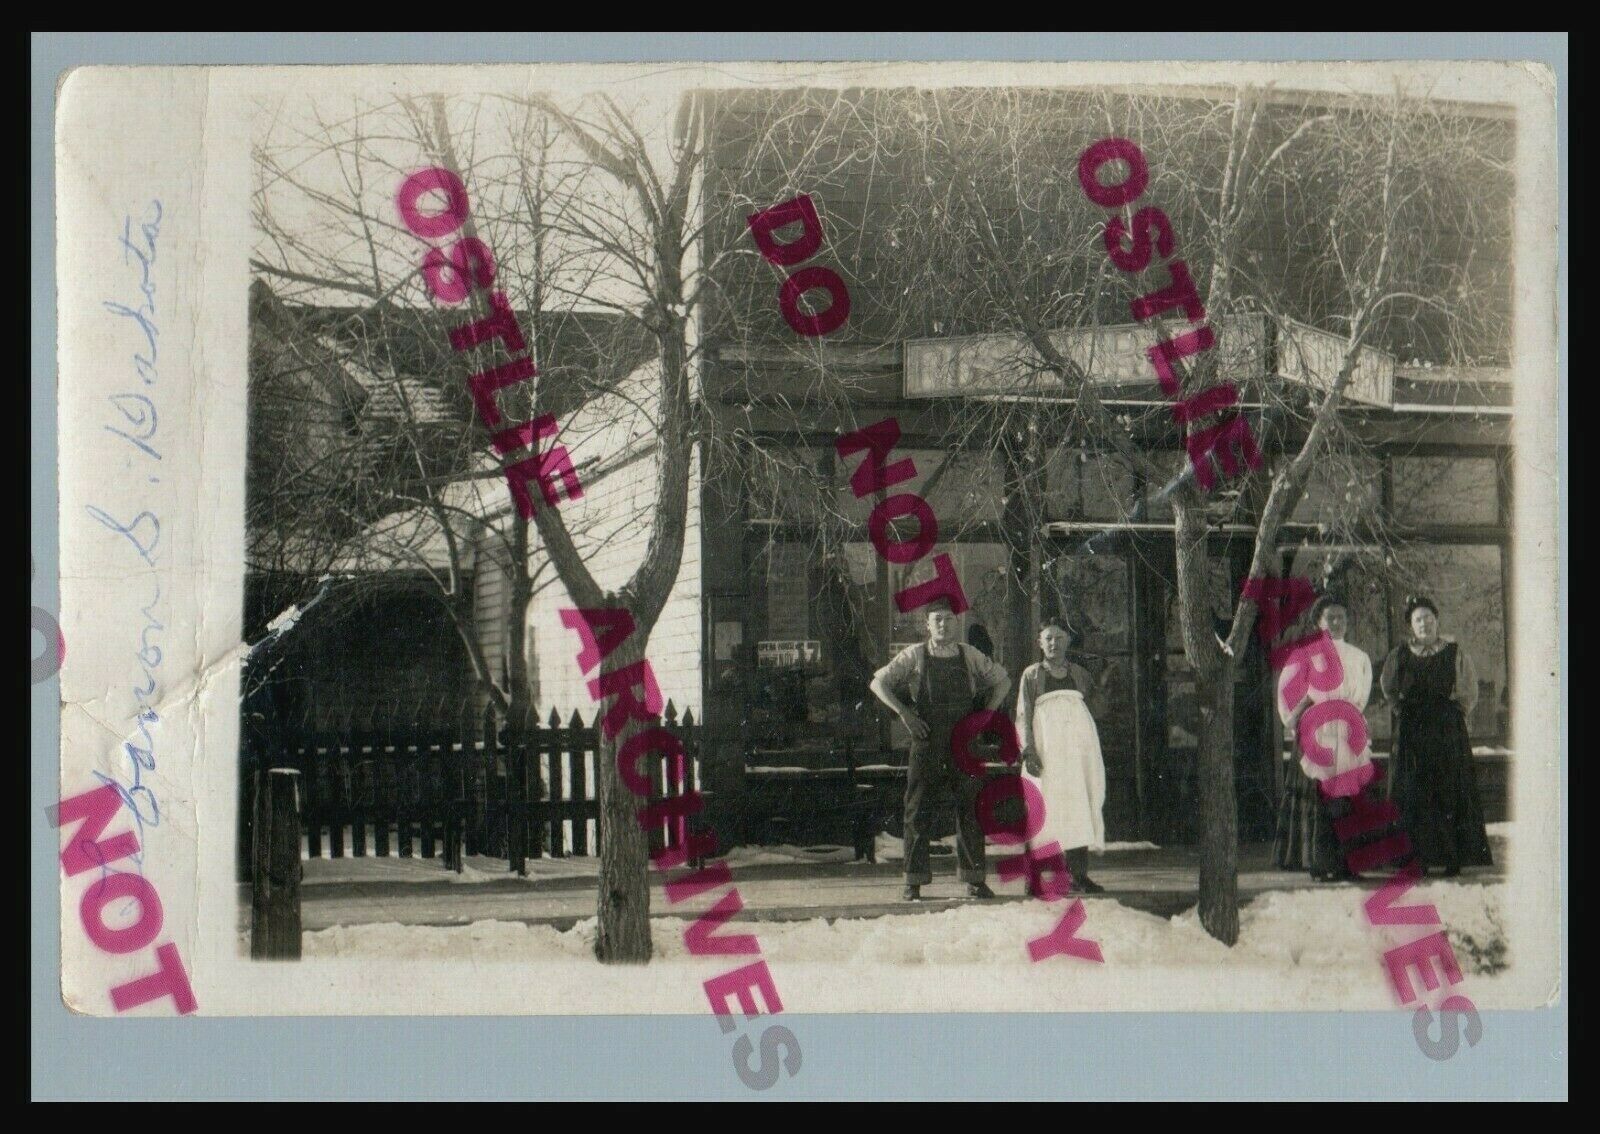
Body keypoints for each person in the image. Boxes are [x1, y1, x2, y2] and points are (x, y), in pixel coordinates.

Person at [870, 603, 1011, 901]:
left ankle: (974, 880)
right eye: (937, 620)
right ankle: (914, 880)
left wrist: (985, 716)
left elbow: (1003, 681)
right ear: (928, 625)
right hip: (927, 738)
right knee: (917, 807)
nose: (944, 625)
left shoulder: (969, 655)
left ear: (956, 623)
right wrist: (906, 715)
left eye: (949, 619)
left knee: (971, 806)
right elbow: (878, 682)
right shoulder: (914, 655)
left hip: (965, 740)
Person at [1380, 595, 1493, 876]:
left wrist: (1455, 715)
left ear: (1437, 621)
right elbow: (1388, 687)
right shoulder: (1400, 655)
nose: (1425, 624)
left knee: (1448, 790)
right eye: (1419, 620)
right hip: (1413, 732)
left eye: (1429, 619)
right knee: (1415, 791)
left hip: (1446, 730)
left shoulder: (1454, 652)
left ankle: (1452, 857)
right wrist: (1400, 710)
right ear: (1411, 626)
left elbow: (1469, 690)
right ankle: (1418, 859)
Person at [1272, 594, 1377, 881]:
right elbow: (1287, 691)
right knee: (1318, 798)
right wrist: (1298, 721)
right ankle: (1319, 863)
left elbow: (1362, 696)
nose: (1336, 622)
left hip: (1345, 730)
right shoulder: (1305, 654)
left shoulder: (1359, 657)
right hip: (1314, 731)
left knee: (1347, 798)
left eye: (1341, 617)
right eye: (1329, 617)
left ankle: (1348, 864)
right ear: (1319, 621)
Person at [1016, 620, 1107, 894]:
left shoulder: (1079, 673)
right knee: (1042, 808)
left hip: (1077, 752)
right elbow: (1023, 714)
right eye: (1048, 639)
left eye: (1058, 638)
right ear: (1040, 643)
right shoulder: (1032, 675)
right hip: (1046, 750)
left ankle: (1078, 874)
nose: (1053, 643)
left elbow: (1098, 710)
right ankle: (1033, 876)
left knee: (1077, 806)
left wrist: (1103, 684)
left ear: (1067, 642)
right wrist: (1028, 750)